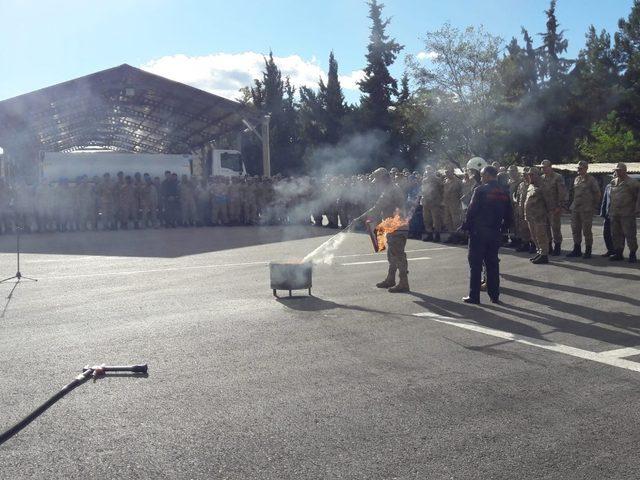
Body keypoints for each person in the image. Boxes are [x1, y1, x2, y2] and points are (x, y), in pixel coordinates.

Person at [458, 166, 512, 304]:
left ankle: (474, 296)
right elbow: (509, 213)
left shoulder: (480, 190)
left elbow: (471, 211)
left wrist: (464, 227)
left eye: (482, 176)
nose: (481, 179)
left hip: (478, 233)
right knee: (492, 264)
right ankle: (494, 296)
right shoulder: (504, 191)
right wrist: (503, 228)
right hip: (495, 232)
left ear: (488, 175)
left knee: (475, 265)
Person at [355, 167, 410, 293]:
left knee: (398, 255)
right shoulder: (390, 188)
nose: (377, 183)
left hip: (397, 226)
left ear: (383, 179)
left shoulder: (390, 190)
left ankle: (404, 282)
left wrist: (360, 218)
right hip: (392, 226)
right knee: (392, 254)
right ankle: (391, 279)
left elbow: (378, 206)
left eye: (378, 180)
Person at [566, 161, 601, 259]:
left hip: (586, 209)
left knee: (586, 230)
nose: (579, 170)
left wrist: (593, 206)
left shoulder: (591, 180)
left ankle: (588, 250)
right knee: (575, 229)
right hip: (576, 208)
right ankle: (577, 249)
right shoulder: (576, 179)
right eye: (578, 168)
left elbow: (597, 194)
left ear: (586, 168)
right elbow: (573, 193)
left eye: (581, 168)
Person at [608, 162, 640, 262]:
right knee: (616, 234)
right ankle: (618, 253)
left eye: (619, 170)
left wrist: (637, 209)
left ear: (625, 170)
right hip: (614, 213)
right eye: (616, 170)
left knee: (629, 234)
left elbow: (638, 197)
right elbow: (611, 197)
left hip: (627, 213)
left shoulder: (633, 183)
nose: (617, 172)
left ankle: (632, 253)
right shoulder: (613, 182)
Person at [541, 159, 567, 255]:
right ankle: (549, 246)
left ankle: (557, 246)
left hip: (554, 207)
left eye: (545, 167)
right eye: (542, 168)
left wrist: (560, 206)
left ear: (550, 167)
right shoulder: (542, 178)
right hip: (544, 208)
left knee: (555, 228)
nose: (544, 169)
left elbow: (562, 193)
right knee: (546, 228)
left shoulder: (557, 177)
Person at [525, 167, 550, 264]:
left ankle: (544, 255)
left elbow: (549, 201)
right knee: (534, 235)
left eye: (532, 175)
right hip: (530, 216)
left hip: (539, 216)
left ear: (537, 176)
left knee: (541, 235)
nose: (529, 176)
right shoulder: (530, 186)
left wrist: (550, 212)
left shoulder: (543, 186)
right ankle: (540, 252)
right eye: (529, 175)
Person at [421, 165, 443, 242]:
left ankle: (437, 235)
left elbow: (441, 190)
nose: (428, 172)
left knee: (436, 219)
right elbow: (423, 191)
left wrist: (440, 200)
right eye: (427, 170)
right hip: (426, 202)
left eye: (430, 170)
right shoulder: (424, 180)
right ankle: (429, 234)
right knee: (427, 219)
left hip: (435, 202)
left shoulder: (437, 180)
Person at [442, 166, 463, 243]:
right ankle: (452, 235)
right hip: (447, 203)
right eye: (446, 173)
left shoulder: (458, 181)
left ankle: (458, 237)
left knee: (456, 221)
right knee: (447, 221)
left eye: (448, 172)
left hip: (455, 203)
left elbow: (462, 192)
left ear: (452, 172)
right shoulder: (446, 181)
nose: (446, 174)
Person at [599, 173, 615, 257]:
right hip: (608, 213)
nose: (614, 176)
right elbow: (605, 199)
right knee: (606, 233)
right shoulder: (608, 186)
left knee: (617, 234)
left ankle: (618, 251)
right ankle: (610, 250)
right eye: (614, 175)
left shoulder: (624, 185)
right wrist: (602, 212)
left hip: (618, 214)